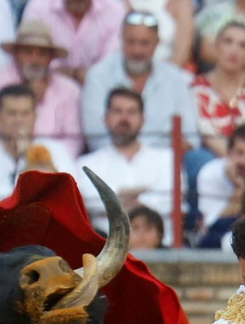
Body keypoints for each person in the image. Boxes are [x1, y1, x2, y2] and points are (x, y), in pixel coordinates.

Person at [81, 10, 200, 153]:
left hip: (164, 160)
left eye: (144, 43)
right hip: (112, 159)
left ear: (157, 43)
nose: (137, 50)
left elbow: (191, 137)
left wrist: (149, 159)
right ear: (121, 40)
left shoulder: (175, 79)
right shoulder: (98, 76)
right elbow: (96, 138)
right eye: (131, 42)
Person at [0, 19, 84, 156]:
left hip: (50, 165)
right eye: (27, 52)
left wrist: (37, 157)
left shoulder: (69, 90)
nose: (35, 60)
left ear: (51, 58)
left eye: (42, 54)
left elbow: (73, 144)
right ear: (15, 54)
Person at [74, 86, 175, 224]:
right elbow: (88, 203)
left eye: (132, 112)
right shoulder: (85, 164)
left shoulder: (167, 159)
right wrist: (140, 195)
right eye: (118, 111)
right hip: (107, 243)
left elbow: (171, 202)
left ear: (142, 120)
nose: (124, 118)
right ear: (106, 118)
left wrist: (117, 197)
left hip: (160, 244)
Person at [0, 83, 79, 204]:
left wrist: (30, 155)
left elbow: (69, 196)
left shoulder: (56, 150)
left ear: (35, 117)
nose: (18, 120)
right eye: (12, 113)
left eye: (25, 114)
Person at [23, 0, 126, 84]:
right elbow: (32, 59)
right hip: (48, 84)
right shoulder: (38, 8)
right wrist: (76, 74)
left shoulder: (114, 10)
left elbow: (111, 63)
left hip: (99, 86)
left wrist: (83, 75)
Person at [191, 21, 245, 157]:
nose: (234, 50)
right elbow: (209, 137)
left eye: (242, 45)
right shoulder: (198, 88)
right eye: (228, 42)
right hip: (213, 159)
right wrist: (236, 162)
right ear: (217, 47)